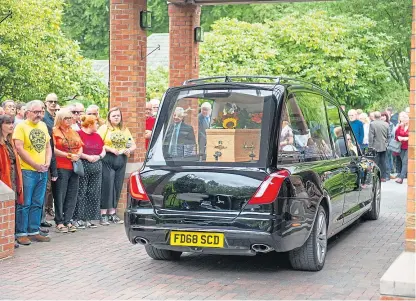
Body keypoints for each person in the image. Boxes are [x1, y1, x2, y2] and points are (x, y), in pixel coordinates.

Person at [13, 100, 52, 245]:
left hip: (42, 170)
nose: (39, 115)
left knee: (37, 202)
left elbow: (48, 146)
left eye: (41, 111)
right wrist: (35, 164)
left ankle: (34, 231)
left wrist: (47, 162)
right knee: (25, 203)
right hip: (27, 170)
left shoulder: (42, 125)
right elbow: (19, 148)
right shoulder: (21, 127)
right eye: (36, 112)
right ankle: (21, 232)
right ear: (27, 112)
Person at [98, 107, 136, 225]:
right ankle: (103, 214)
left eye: (118, 116)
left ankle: (112, 213)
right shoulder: (104, 128)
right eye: (114, 115)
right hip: (108, 159)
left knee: (117, 186)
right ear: (109, 117)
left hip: (121, 160)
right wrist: (110, 149)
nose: (116, 117)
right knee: (107, 186)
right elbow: (98, 143)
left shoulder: (124, 129)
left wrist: (128, 149)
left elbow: (133, 145)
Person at [52, 109, 83, 233]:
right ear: (60, 119)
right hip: (61, 166)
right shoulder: (54, 131)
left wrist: (78, 155)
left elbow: (80, 146)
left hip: (74, 167)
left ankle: (68, 220)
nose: (69, 120)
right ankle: (59, 221)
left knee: (72, 194)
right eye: (66, 118)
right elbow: (53, 149)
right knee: (60, 195)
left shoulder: (73, 131)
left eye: (70, 118)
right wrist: (68, 155)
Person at [73, 115, 105, 229]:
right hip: (84, 165)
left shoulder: (97, 135)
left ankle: (88, 218)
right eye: (96, 123)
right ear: (90, 124)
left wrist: (99, 156)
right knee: (81, 191)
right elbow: (76, 150)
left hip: (96, 165)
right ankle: (77, 218)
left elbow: (103, 149)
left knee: (93, 192)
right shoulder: (78, 134)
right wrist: (87, 157)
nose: (97, 125)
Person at [0, 115, 24, 248]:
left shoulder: (10, 141)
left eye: (12, 123)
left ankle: (10, 236)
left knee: (13, 205)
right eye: (7, 123)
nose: (11, 125)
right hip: (4, 177)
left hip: (13, 175)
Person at [41, 93, 59, 225]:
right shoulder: (43, 119)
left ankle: (49, 210)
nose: (53, 103)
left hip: (56, 158)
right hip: (47, 155)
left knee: (52, 188)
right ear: (45, 102)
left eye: (55, 101)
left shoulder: (56, 117)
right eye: (50, 101)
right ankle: (42, 217)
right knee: (45, 189)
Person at [368, 111, 388, 182]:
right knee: (383, 161)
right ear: (380, 116)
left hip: (375, 146)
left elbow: (371, 136)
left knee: (375, 162)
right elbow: (389, 136)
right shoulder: (386, 124)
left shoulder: (372, 124)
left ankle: (375, 176)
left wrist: (370, 146)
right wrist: (387, 143)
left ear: (374, 116)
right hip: (384, 146)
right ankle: (384, 177)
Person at [395, 112, 409, 184]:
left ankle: (401, 178)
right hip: (401, 146)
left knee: (405, 162)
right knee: (402, 161)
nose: (405, 119)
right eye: (404, 118)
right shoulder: (400, 126)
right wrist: (399, 138)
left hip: (409, 147)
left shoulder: (412, 126)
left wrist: (407, 138)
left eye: (406, 117)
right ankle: (404, 175)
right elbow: (396, 136)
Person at [381, 111, 395, 180]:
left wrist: (387, 144)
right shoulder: (380, 124)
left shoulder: (391, 124)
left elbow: (392, 135)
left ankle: (387, 175)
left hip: (388, 145)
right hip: (381, 145)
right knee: (385, 160)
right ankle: (386, 174)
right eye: (382, 116)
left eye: (384, 116)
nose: (383, 117)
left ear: (386, 117)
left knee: (387, 160)